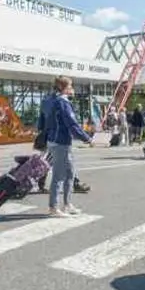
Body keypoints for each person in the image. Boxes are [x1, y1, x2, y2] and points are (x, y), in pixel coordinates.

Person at [38, 76, 92, 217]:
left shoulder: (48, 100)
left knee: (70, 173)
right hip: (60, 142)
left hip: (55, 140)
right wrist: (87, 138)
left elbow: (41, 120)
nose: (72, 89)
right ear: (63, 88)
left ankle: (67, 205)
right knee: (59, 175)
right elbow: (72, 124)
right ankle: (53, 208)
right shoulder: (62, 102)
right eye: (70, 86)